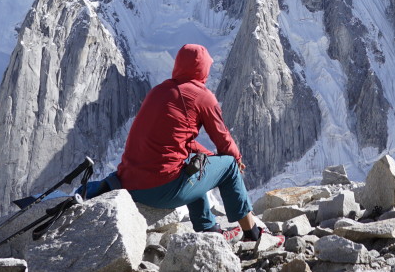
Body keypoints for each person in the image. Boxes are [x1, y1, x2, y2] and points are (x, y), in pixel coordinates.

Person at [114, 43, 279, 246]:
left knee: (196, 165)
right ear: (203, 69)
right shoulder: (201, 96)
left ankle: (210, 232)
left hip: (129, 184)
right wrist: (236, 160)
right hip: (161, 190)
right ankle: (253, 234)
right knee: (228, 165)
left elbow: (176, 139)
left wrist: (208, 156)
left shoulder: (158, 91)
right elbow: (223, 140)